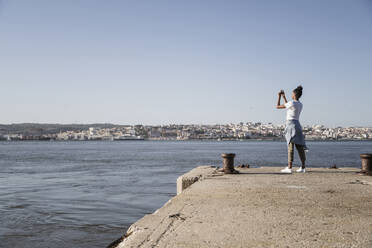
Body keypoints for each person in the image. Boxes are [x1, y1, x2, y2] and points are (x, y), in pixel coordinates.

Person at [276, 85, 307, 173]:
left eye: (292, 93)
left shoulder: (292, 103)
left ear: (294, 94)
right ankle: (303, 167)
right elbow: (289, 106)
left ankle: (289, 168)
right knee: (299, 147)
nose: (291, 95)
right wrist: (284, 97)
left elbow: (277, 106)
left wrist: (279, 96)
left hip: (290, 125)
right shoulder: (300, 104)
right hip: (297, 125)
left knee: (290, 146)